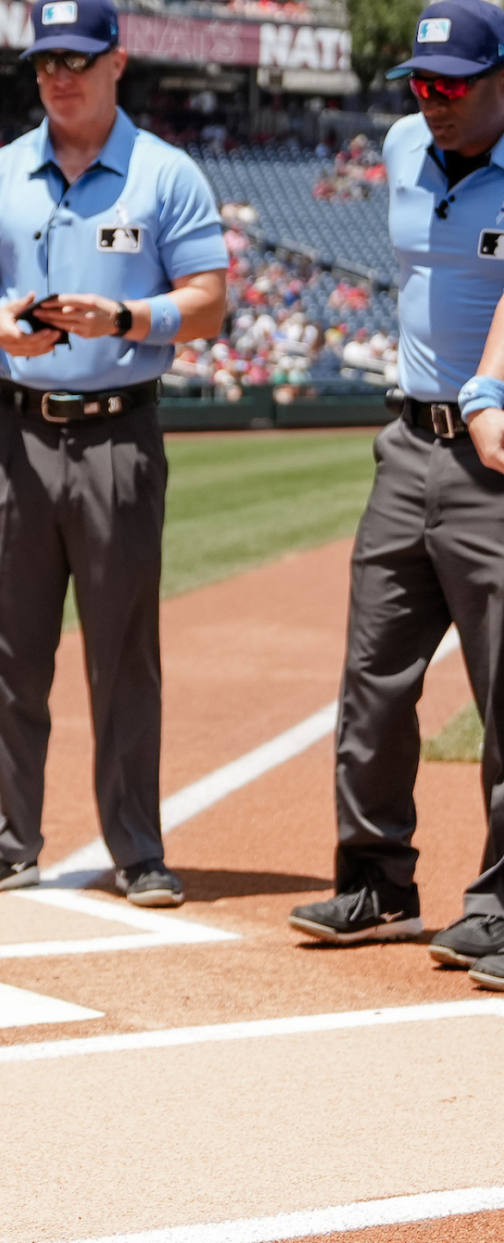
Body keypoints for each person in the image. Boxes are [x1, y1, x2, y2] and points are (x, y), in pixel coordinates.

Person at [0, 0, 228, 908]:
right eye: (45, 62)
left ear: (117, 63)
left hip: (117, 431)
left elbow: (211, 298)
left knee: (122, 652)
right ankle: (6, 839)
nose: (59, 76)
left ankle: (136, 847)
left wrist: (134, 319)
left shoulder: (165, 174)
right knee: (7, 649)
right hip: (15, 431)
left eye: (77, 58)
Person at [322, 1, 504, 970]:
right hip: (408, 441)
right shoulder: (399, 144)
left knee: (503, 682)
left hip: (498, 456)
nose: (431, 101)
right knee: (373, 673)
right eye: (420, 83)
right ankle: (374, 877)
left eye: (454, 83)